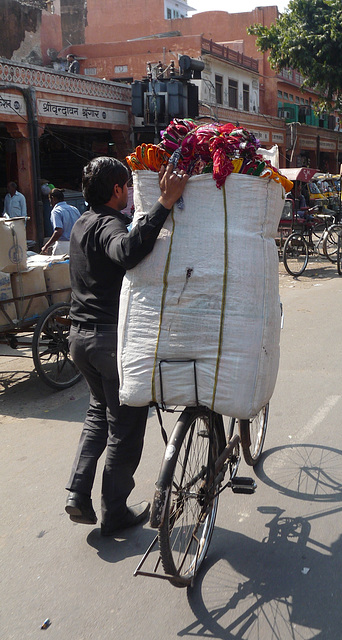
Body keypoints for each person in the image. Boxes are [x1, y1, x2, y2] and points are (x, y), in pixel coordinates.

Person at [65, 156, 188, 536]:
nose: (131, 194)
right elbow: (127, 251)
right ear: (118, 190)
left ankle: (77, 494)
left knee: (98, 415)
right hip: (106, 341)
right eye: (128, 188)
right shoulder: (107, 224)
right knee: (127, 426)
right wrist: (164, 204)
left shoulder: (81, 223)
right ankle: (114, 512)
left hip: (79, 339)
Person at [40, 188, 81, 256]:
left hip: (63, 245)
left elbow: (58, 231)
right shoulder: (74, 209)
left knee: (57, 266)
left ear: (53, 199)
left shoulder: (56, 211)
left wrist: (46, 245)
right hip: (76, 244)